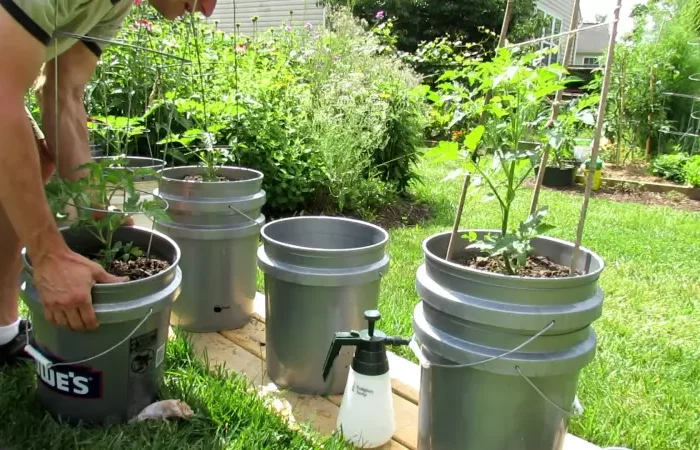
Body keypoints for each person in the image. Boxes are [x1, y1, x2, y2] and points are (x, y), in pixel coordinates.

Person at [0, 0, 217, 366]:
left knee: (33, 161)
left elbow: (61, 92)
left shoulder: (113, 5)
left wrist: (95, 212)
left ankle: (2, 333)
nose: (207, 10)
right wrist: (48, 255)